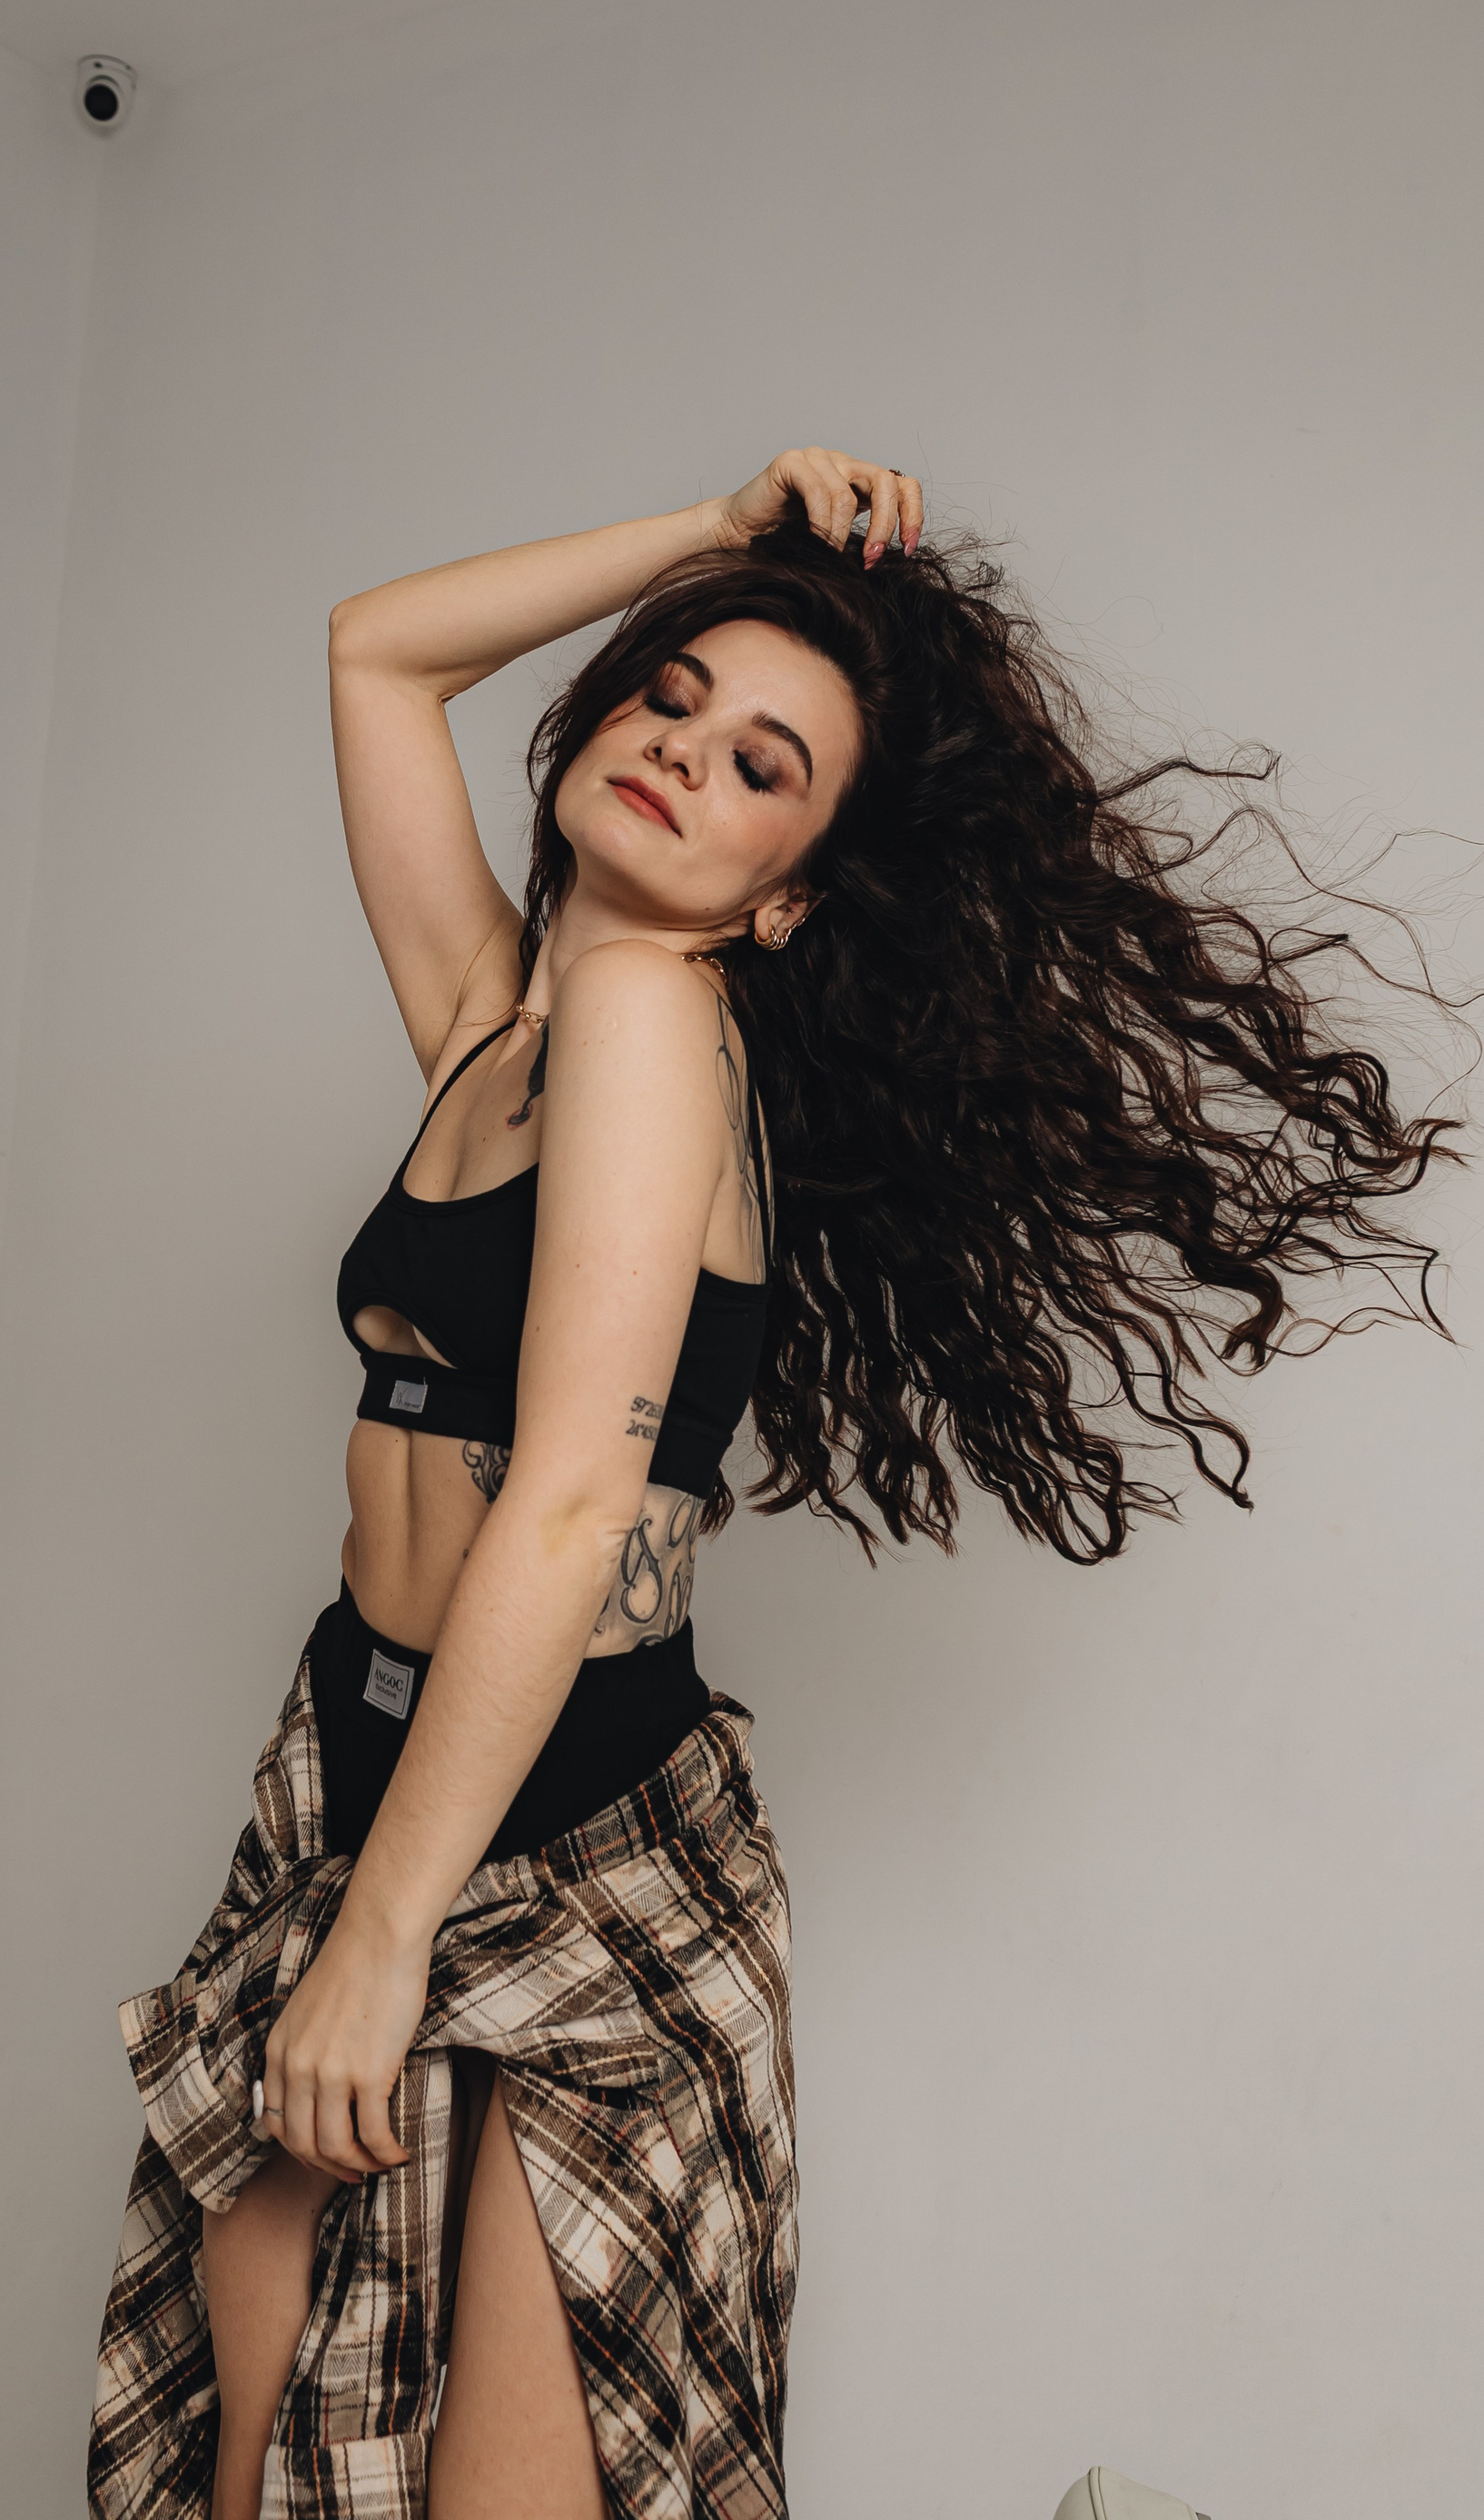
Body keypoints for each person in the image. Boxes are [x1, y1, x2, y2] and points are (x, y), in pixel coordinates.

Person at [87, 451, 1452, 2520]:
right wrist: (717, 536)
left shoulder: (656, 1015)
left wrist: (384, 1939)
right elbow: (377, 654)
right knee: (266, 2465)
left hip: (564, 1839)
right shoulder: (498, 1029)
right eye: (670, 697)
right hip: (358, 1770)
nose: (681, 751)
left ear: (786, 893)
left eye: (759, 765)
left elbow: (570, 1502)